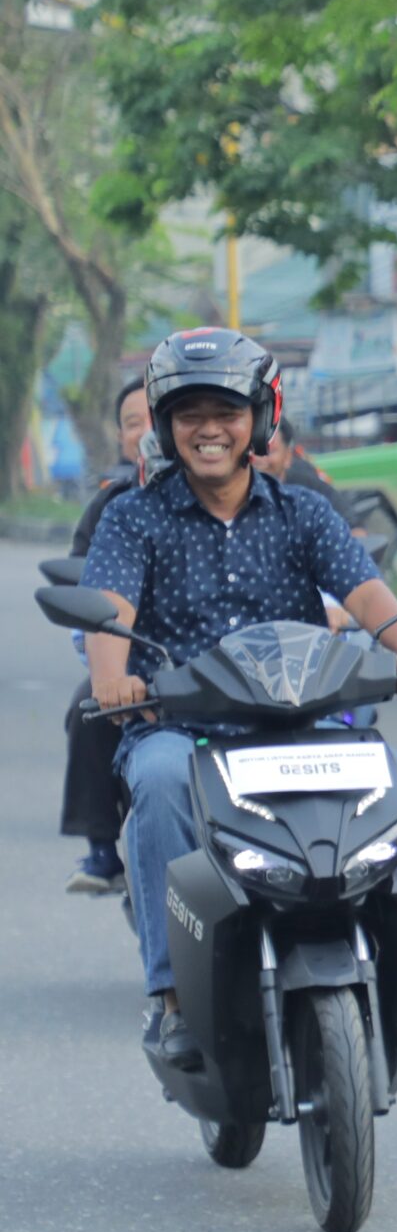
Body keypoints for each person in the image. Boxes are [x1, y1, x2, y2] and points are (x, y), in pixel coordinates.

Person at [80, 329, 397, 1071]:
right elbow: (109, 613)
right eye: (189, 414)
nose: (209, 429)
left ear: (261, 418)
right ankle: (171, 997)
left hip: (302, 721)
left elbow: (364, 590)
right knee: (156, 782)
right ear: (164, 425)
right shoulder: (132, 517)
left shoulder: (301, 512)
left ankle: (394, 982)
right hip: (184, 727)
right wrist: (113, 679)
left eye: (227, 411)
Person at [60, 379, 153, 895]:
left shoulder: (280, 502)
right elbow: (83, 595)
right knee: (90, 708)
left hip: (231, 662)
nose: (147, 434)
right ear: (120, 437)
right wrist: (110, 672)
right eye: (134, 424)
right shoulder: (113, 507)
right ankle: (102, 846)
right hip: (138, 658)